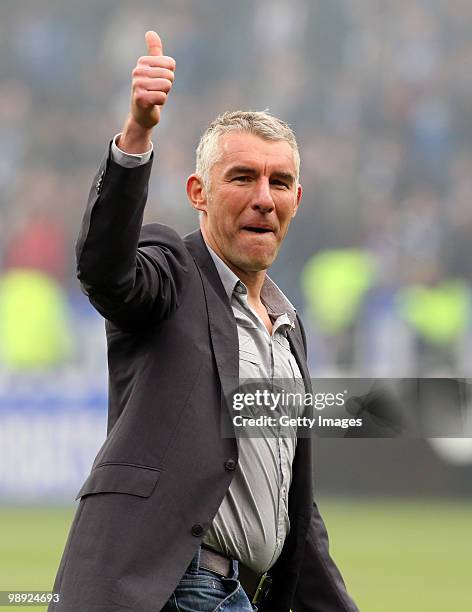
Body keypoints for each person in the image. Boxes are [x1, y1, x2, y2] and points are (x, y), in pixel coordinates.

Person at [50, 31, 359, 612]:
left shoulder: (287, 326)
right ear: (198, 192)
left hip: (237, 591)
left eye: (280, 182)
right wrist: (137, 135)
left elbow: (293, 511)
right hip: (167, 589)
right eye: (242, 178)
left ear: (298, 200)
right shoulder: (172, 271)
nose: (264, 198)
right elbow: (106, 270)